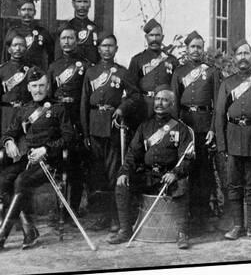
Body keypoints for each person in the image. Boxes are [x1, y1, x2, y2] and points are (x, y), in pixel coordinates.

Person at [0, 67, 74, 252]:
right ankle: (28, 228)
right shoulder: (24, 110)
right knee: (3, 180)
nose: (38, 90)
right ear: (28, 87)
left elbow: (69, 138)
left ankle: (2, 234)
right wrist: (9, 142)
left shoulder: (58, 108)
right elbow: (9, 132)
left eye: (42, 85)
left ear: (48, 86)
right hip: (28, 159)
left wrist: (46, 149)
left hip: (50, 161)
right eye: (34, 85)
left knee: (21, 181)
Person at [113, 85, 195, 249]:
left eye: (165, 100)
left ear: (172, 105)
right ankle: (125, 230)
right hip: (148, 175)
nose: (159, 103)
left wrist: (175, 173)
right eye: (157, 99)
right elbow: (132, 154)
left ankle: (182, 233)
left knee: (182, 185)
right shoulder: (144, 127)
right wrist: (124, 172)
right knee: (122, 184)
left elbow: (187, 157)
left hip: (169, 176)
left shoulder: (181, 128)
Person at [80, 34, 140, 237]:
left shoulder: (122, 72)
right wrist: (86, 132)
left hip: (113, 127)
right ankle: (104, 215)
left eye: (111, 46)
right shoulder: (91, 72)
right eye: (103, 46)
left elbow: (135, 96)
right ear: (98, 49)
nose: (107, 49)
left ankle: (117, 217)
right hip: (94, 125)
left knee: (114, 173)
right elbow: (84, 103)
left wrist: (122, 108)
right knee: (98, 175)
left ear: (116, 48)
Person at [215, 39, 251, 240]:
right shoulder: (227, 83)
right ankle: (237, 226)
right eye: (239, 54)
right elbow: (219, 115)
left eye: (246, 53)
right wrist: (221, 144)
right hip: (232, 137)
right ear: (234, 58)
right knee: (233, 184)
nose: (243, 57)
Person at [170, 31, 222, 234]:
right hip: (185, 125)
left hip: (203, 126)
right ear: (186, 49)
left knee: (203, 171)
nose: (196, 50)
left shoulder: (211, 71)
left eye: (199, 47)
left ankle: (202, 217)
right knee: (184, 169)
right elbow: (174, 102)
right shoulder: (179, 72)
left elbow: (218, 104)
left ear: (203, 49)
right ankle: (185, 218)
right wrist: (176, 128)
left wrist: (212, 129)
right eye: (193, 47)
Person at [47, 25, 92, 218]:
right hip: (58, 117)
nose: (67, 42)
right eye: (63, 38)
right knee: (58, 166)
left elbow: (87, 95)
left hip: (76, 115)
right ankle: (59, 209)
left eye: (71, 38)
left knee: (76, 166)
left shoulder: (85, 66)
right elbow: (48, 96)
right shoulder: (53, 66)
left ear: (77, 40)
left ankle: (72, 208)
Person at [0, 31, 33, 181]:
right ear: (9, 49)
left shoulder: (32, 70)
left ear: (26, 48)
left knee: (26, 153)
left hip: (26, 116)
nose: (18, 48)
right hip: (7, 115)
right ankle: (4, 195)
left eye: (22, 45)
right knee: (5, 157)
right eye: (15, 45)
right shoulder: (0, 72)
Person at [127, 18, 179, 122]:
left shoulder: (171, 60)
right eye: (151, 35)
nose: (154, 39)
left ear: (162, 37)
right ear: (146, 37)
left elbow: (175, 88)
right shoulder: (137, 60)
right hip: (144, 107)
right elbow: (131, 87)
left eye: (157, 35)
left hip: (165, 107)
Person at [4, 0, 54, 70]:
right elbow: (6, 55)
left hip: (36, 72)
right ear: (19, 12)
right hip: (15, 73)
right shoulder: (13, 32)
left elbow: (51, 56)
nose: (27, 12)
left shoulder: (42, 32)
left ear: (35, 12)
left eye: (30, 10)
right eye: (23, 10)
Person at [55, 0, 100, 64]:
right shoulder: (66, 28)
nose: (82, 5)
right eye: (79, 1)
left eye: (85, 1)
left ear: (90, 3)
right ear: (73, 4)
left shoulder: (95, 29)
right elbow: (58, 57)